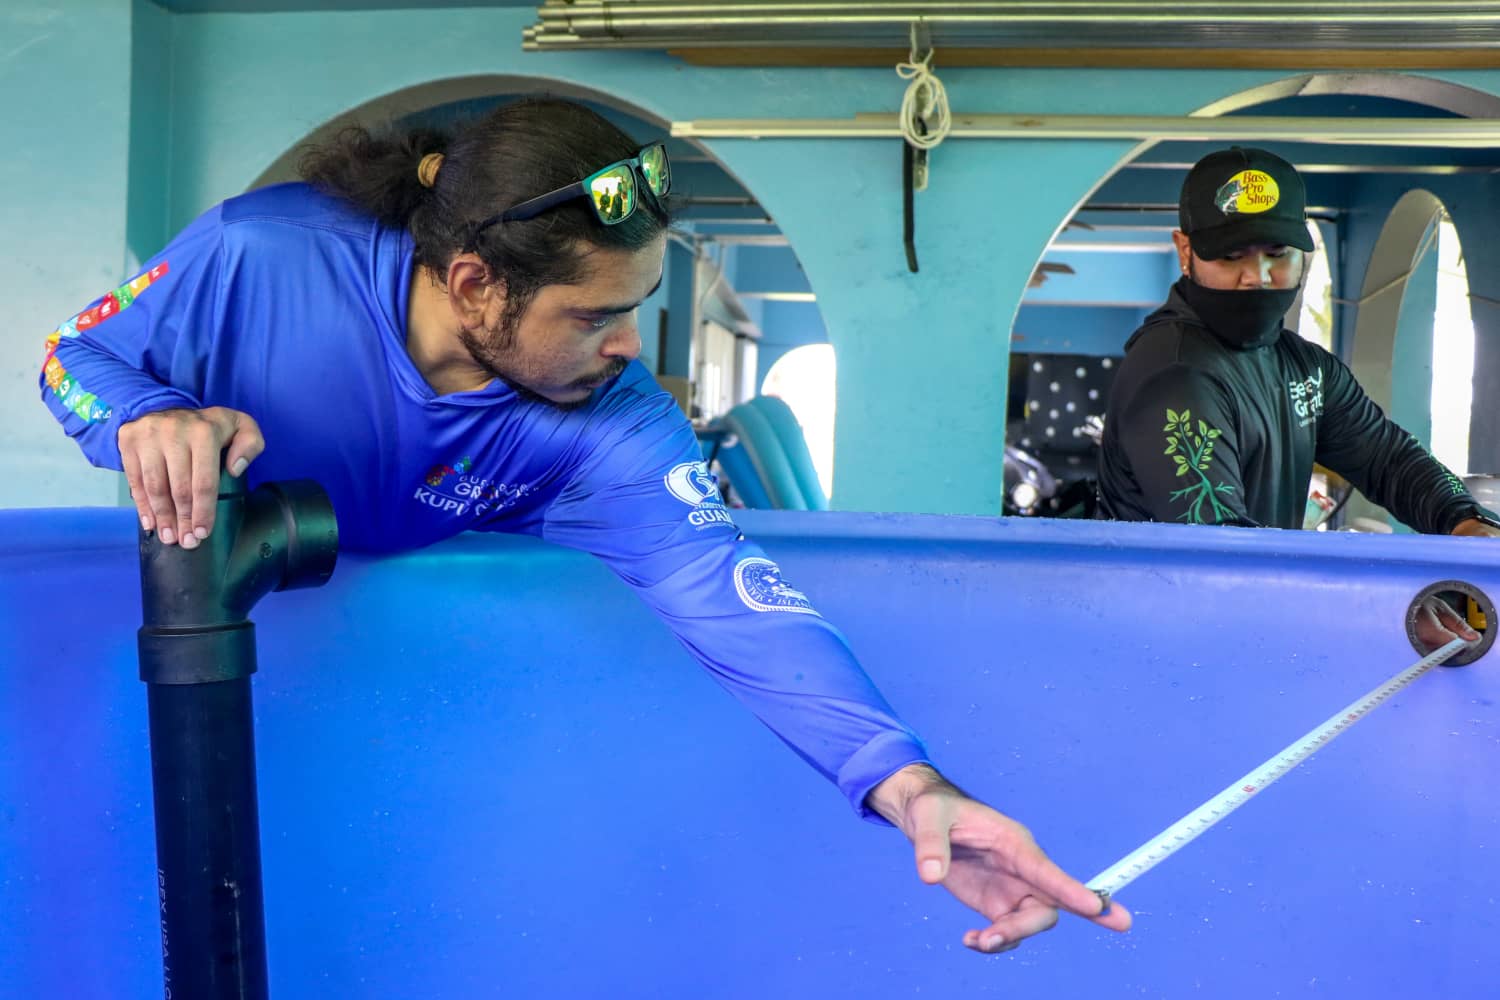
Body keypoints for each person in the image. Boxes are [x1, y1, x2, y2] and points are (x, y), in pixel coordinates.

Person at [39, 97, 1129, 953]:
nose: (626, 348)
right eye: (596, 316)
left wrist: (915, 787)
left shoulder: (613, 426)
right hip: (223, 700)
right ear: (475, 284)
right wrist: (146, 413)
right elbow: (68, 361)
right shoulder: (258, 254)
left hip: (418, 748)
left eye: (638, 308)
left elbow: (732, 596)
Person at [1098, 146, 1500, 648]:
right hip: (1164, 647)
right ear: (1185, 251)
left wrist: (1466, 520)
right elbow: (1224, 554)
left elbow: (1389, 460)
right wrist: (1382, 605)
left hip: (1250, 635)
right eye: (1230, 256)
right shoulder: (1175, 376)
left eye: (1276, 255)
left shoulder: (1303, 366)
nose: (1257, 277)